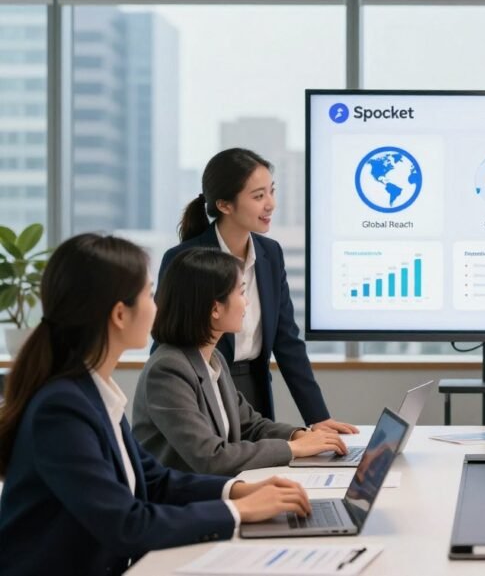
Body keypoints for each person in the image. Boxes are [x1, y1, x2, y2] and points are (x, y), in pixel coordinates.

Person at [0, 234, 314, 576]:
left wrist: (239, 490)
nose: (157, 305)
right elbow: (128, 524)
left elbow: (156, 480)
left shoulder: (92, 391)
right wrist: (240, 511)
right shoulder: (61, 410)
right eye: (149, 294)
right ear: (120, 314)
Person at [159, 148, 355, 436]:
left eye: (271, 192)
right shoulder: (186, 259)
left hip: (255, 388)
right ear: (225, 205)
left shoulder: (270, 254)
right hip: (201, 388)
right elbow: (168, 338)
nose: (271, 204)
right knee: (218, 470)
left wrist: (318, 418)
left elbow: (287, 341)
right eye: (258, 196)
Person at [134, 248, 348, 476]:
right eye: (241, 293)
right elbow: (212, 458)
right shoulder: (168, 370)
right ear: (215, 308)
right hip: (183, 504)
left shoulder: (213, 360)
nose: (246, 303)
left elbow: (250, 425)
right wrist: (293, 448)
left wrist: (299, 435)